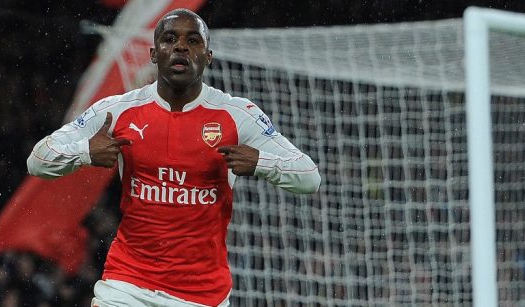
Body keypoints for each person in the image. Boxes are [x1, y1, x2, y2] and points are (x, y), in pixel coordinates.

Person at [26, 8, 321, 307]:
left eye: (193, 41)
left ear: (208, 56)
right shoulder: (119, 109)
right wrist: (85, 152)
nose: (181, 47)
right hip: (127, 286)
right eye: (170, 39)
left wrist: (261, 162)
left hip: (202, 295)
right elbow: (38, 159)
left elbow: (309, 177)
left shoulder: (238, 115)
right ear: (154, 54)